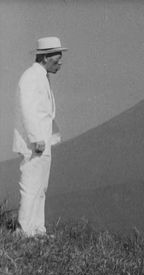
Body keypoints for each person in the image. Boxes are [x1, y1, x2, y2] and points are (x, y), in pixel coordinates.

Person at [13, 36, 67, 238]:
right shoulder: (30, 77)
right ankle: (25, 230)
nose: (60, 61)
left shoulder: (41, 76)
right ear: (45, 57)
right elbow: (28, 109)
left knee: (40, 187)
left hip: (43, 142)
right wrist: (36, 138)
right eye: (57, 56)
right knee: (31, 185)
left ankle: (37, 229)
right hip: (35, 143)